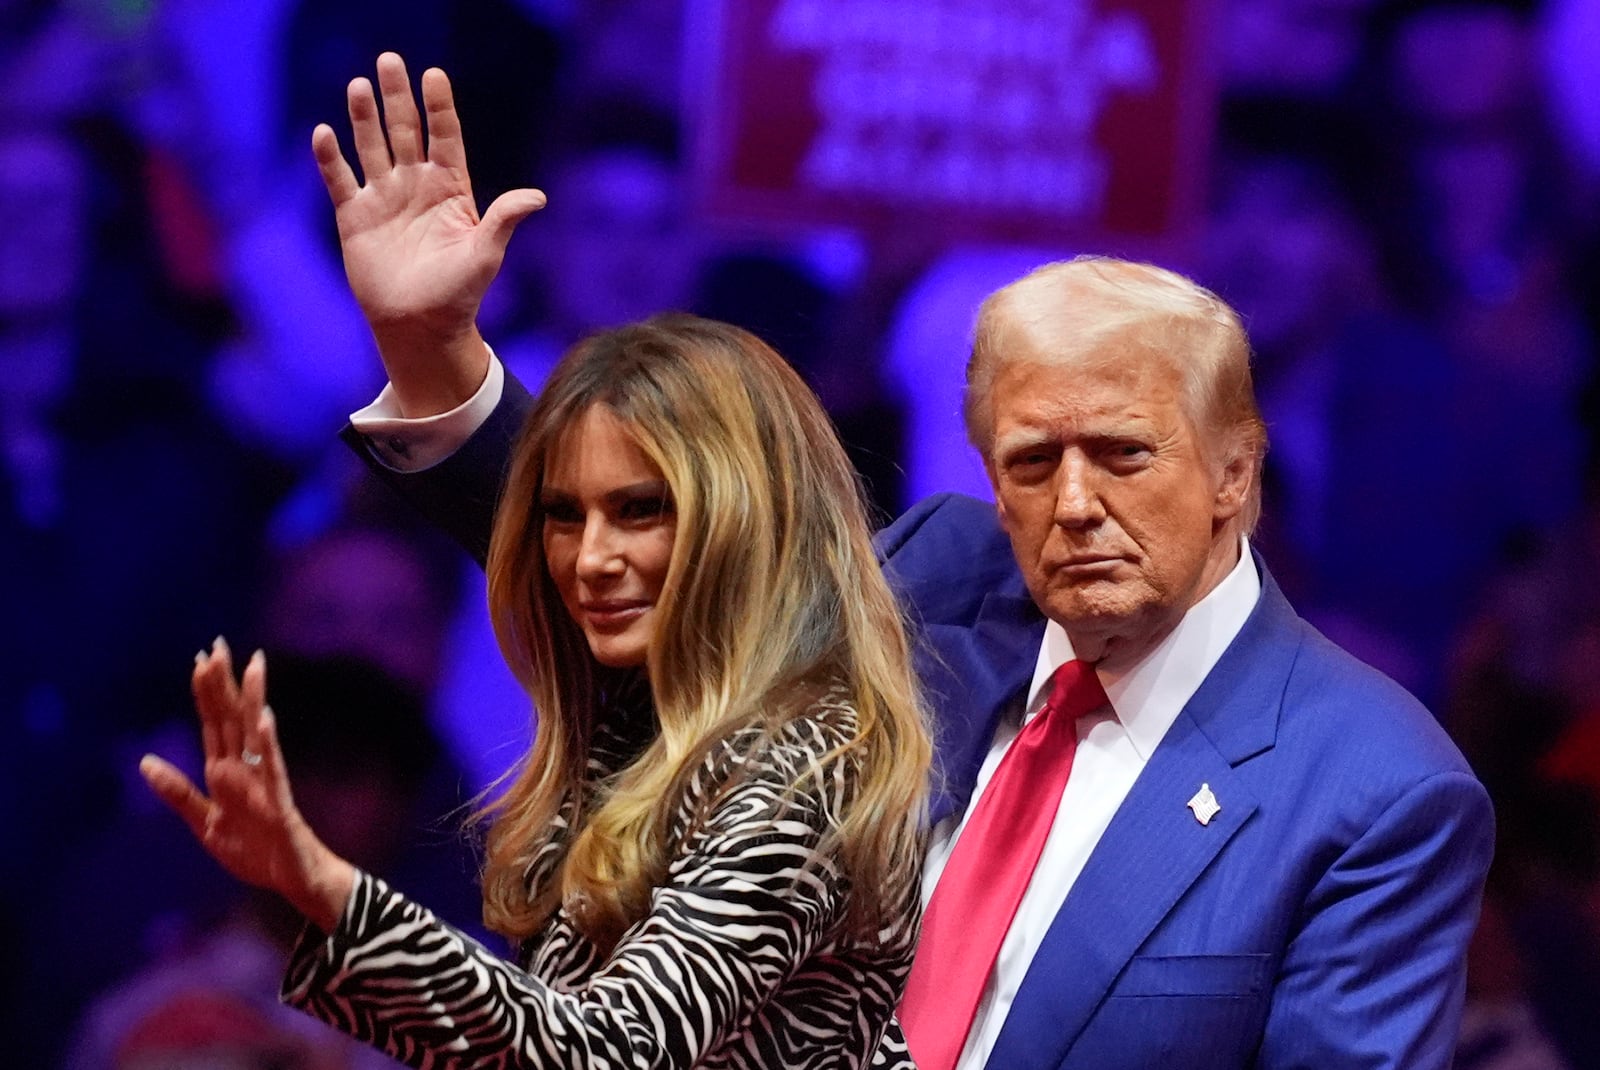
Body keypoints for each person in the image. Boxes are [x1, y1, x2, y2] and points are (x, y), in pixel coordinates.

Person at [253, 53, 1496, 1070]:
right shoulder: (939, 592)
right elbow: (644, 547)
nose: (1070, 503)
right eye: (1027, 460)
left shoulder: (1373, 788)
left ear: (1235, 469)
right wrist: (431, 355)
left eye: (1121, 453)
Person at [140, 54, 931, 1070]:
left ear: (738, 526)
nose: (588, 559)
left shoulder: (793, 760)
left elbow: (598, 1045)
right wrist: (423, 342)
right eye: (565, 517)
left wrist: (324, 893)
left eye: (639, 513)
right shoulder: (660, 698)